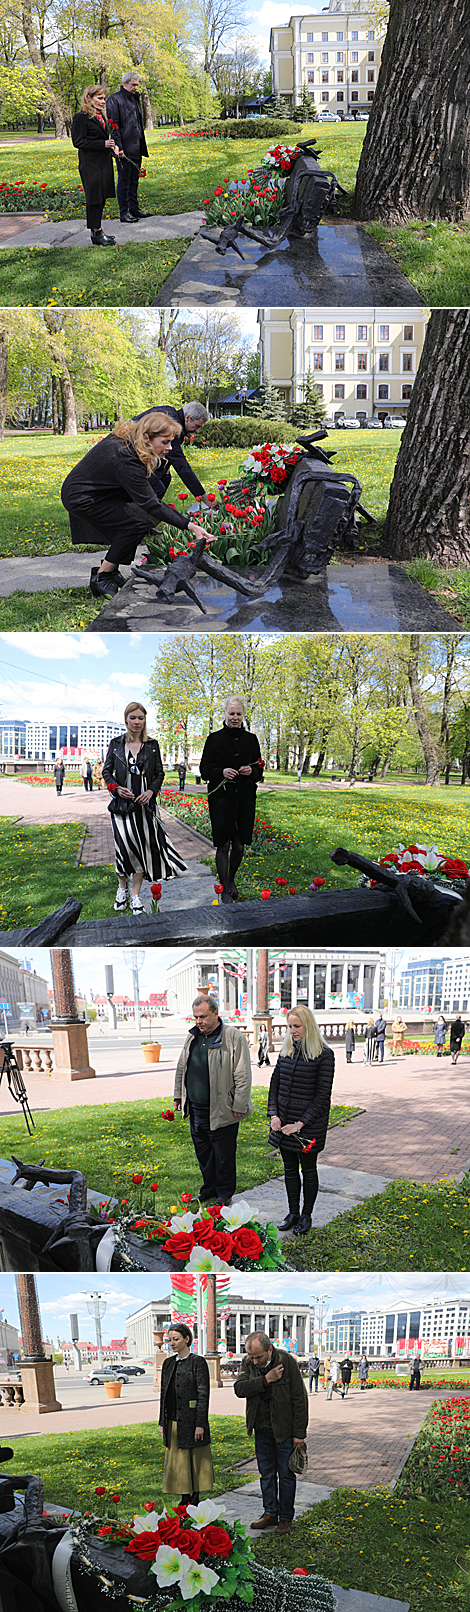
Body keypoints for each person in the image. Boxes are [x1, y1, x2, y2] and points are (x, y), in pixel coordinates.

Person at [61, 412, 215, 600]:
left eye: (171, 442)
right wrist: (190, 525)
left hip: (101, 492)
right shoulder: (126, 458)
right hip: (83, 498)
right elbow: (151, 504)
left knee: (140, 518)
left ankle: (111, 569)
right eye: (165, 442)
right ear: (146, 437)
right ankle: (102, 577)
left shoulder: (132, 441)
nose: (170, 447)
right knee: (141, 519)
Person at [103, 701, 187, 914]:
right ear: (126, 720)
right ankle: (122, 889)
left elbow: (159, 773)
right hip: (121, 807)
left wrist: (151, 792)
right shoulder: (115, 744)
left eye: (141, 718)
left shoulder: (152, 745)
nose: (137, 722)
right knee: (123, 849)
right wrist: (116, 788)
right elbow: (106, 772)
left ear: (144, 720)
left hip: (144, 807)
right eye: (133, 718)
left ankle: (136, 896)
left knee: (142, 850)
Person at [174, 994, 252, 1205]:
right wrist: (178, 1095)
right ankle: (208, 1188)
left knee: (224, 1155)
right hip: (196, 1108)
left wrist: (240, 1104)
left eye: (203, 1017)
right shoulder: (192, 1037)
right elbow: (182, 1067)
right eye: (195, 1017)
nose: (198, 1021)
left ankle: (224, 1193)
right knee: (204, 1154)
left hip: (222, 1108)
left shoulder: (233, 1037)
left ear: (216, 1013)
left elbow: (243, 1073)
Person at [267, 1005, 334, 1237]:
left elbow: (323, 1097)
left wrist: (300, 1124)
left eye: (297, 1026)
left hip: (308, 1125)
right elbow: (274, 1084)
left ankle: (306, 1215)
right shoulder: (286, 1050)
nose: (292, 1031)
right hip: (284, 1123)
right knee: (289, 1170)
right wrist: (274, 1115)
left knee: (308, 1169)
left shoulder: (324, 1054)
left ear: (309, 1026)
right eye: (289, 1026)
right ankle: (292, 1212)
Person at [234, 1329, 308, 1537]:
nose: (255, 1361)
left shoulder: (286, 1361)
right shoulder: (247, 1363)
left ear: (270, 1349)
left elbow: (299, 1398)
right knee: (266, 1475)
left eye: (259, 1356)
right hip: (261, 1429)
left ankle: (285, 1518)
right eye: (252, 1357)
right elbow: (239, 1388)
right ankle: (270, 1513)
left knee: (286, 1476)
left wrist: (299, 1433)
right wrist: (265, 1380)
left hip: (283, 1430)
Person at [200, 695, 264, 904]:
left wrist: (251, 770)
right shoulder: (214, 739)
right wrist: (222, 771)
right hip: (222, 800)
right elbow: (205, 770)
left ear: (243, 715)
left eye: (239, 714)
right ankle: (225, 888)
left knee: (239, 846)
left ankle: (231, 879)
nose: (235, 717)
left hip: (244, 799)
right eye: (231, 713)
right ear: (225, 714)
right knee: (223, 845)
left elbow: (259, 771)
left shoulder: (251, 740)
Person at [159, 1324, 213, 1504]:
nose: (172, 1343)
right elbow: (163, 1395)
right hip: (173, 1421)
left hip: (192, 1421)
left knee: (195, 1459)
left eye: (176, 1339)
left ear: (187, 1339)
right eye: (170, 1340)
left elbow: (203, 1394)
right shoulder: (168, 1363)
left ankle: (195, 1498)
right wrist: (162, 1422)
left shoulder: (197, 1362)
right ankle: (184, 1498)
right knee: (179, 1462)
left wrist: (200, 1424)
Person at [134, 402, 214, 510]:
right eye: (197, 426)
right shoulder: (172, 425)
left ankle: (145, 518)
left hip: (139, 456)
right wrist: (204, 497)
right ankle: (139, 519)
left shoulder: (170, 412)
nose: (197, 431)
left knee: (165, 478)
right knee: (157, 489)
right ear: (187, 418)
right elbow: (181, 465)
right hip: (128, 456)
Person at [71, 84, 123, 247]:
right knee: (94, 199)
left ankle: (97, 233)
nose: (103, 101)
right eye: (99, 98)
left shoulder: (100, 116)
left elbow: (103, 139)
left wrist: (114, 149)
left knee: (100, 199)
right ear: (89, 98)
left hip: (103, 163)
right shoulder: (81, 117)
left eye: (103, 98)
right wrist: (103, 144)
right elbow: (78, 141)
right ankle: (97, 232)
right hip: (91, 165)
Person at [106, 71, 149, 223]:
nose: (136, 88)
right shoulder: (114, 99)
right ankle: (124, 213)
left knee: (134, 180)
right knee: (124, 181)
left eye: (137, 85)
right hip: (123, 148)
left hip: (137, 146)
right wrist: (118, 146)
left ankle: (134, 209)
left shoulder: (135, 99)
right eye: (133, 85)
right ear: (124, 84)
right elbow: (113, 125)